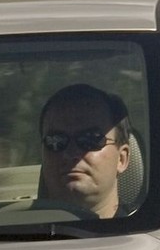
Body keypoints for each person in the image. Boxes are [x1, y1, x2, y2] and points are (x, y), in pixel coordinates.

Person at [36, 84, 134, 218]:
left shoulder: (147, 234)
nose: (70, 154)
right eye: (56, 141)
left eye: (90, 139)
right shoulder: (13, 233)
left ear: (122, 159)